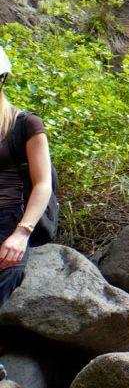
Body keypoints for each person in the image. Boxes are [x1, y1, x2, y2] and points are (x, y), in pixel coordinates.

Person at [0, 46, 53, 308]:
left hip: (9, 216)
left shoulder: (26, 124)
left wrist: (21, 233)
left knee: (9, 270)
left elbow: (43, 184)